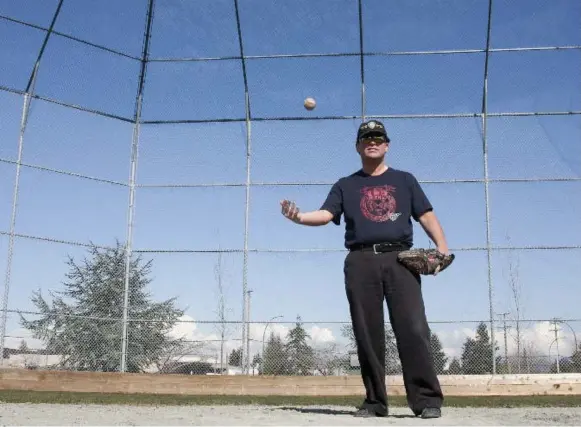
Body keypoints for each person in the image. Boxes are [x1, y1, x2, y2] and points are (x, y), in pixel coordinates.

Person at [280, 120, 449, 419]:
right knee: (366, 333)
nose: (372, 141)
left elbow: (425, 214)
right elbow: (326, 214)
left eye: (378, 137)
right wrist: (299, 217)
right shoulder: (346, 185)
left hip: (401, 258)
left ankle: (426, 400)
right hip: (360, 261)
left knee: (413, 328)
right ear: (358, 146)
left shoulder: (405, 180)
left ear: (387, 145)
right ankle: (375, 402)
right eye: (366, 137)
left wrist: (442, 248)